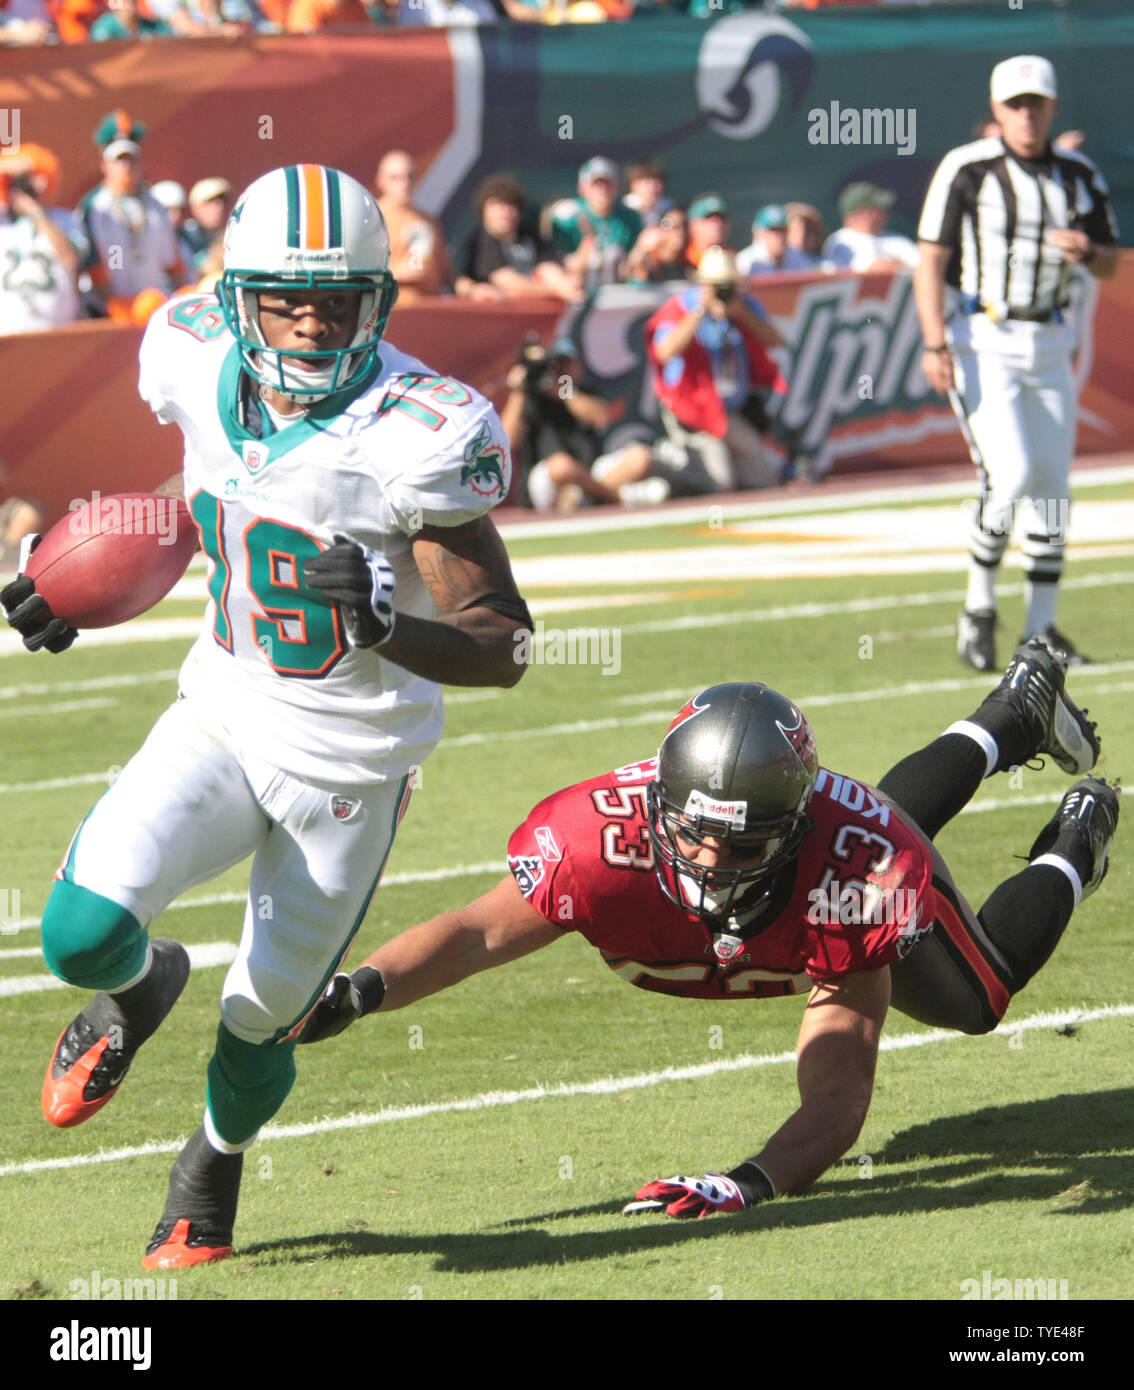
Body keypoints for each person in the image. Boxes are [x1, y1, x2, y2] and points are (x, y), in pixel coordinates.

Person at [0, 164, 531, 1269]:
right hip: (225, 710)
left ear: (375, 302)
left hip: (351, 763)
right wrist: (75, 582)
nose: (308, 321)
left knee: (262, 1018)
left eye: (335, 301)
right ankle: (141, 985)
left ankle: (211, 1158)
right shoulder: (191, 353)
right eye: (287, 299)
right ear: (237, 296)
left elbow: (505, 643)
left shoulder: (413, 428)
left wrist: (390, 626)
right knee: (79, 931)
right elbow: (207, 498)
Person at [298, 647, 1118, 1218]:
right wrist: (362, 989)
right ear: (660, 804)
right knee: (889, 817)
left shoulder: (857, 878)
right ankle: (1013, 711)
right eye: (693, 831)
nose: (708, 857)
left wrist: (750, 1183)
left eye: (741, 840)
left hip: (853, 860)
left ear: (795, 830)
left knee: (980, 997)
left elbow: (837, 1095)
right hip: (828, 837)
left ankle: (1079, 839)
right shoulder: (595, 845)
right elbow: (476, 934)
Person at [915, 54, 1120, 672]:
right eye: (1015, 104)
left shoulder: (1077, 174)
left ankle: (1042, 631)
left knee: (1054, 486)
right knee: (1012, 474)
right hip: (985, 334)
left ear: (1053, 107)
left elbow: (1109, 260)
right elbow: (930, 257)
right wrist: (933, 341)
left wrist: (1086, 250)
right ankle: (978, 608)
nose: (1026, 114)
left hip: (1050, 338)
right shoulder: (968, 167)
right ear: (998, 109)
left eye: (1036, 103)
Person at [645, 245, 786, 493]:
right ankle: (663, 465)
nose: (723, 291)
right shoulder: (681, 308)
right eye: (717, 285)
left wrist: (741, 314)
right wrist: (701, 310)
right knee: (719, 482)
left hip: (727, 411)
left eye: (727, 285)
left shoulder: (742, 306)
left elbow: (775, 340)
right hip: (693, 410)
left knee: (763, 479)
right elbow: (664, 352)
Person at [501, 336, 659, 511]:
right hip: (547, 480)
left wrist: (560, 388)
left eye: (564, 363)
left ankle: (585, 497)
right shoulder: (527, 398)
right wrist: (518, 390)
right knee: (562, 466)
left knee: (640, 457)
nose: (559, 370)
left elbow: (600, 417)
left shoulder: (576, 391)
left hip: (588, 473)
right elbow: (507, 441)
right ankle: (616, 496)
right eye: (554, 365)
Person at [75, 111, 184, 313]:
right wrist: (115, 305)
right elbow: (91, 263)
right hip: (111, 311)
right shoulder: (95, 207)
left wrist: (184, 295)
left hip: (156, 307)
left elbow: (172, 261)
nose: (126, 167)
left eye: (131, 159)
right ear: (104, 165)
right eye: (119, 160)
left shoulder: (155, 206)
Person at [455, 174, 577, 303]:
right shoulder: (479, 243)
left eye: (510, 205)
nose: (505, 212)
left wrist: (563, 284)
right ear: (484, 210)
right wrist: (555, 291)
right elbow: (508, 282)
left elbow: (549, 268)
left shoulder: (530, 237)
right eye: (497, 205)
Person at [0, 142, 81, 334]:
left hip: (55, 328)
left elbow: (70, 258)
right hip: (9, 331)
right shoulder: (2, 223)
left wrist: (37, 213)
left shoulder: (63, 219)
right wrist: (7, 167)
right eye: (17, 182)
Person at [548, 157, 642, 291]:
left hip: (619, 292)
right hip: (581, 293)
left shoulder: (629, 217)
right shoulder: (567, 217)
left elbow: (633, 263)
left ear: (616, 187)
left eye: (607, 184)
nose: (602, 190)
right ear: (583, 188)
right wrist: (588, 243)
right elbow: (562, 267)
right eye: (596, 185)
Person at [373, 150, 453, 301]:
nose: (404, 184)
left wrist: (471, 288)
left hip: (429, 310)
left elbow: (445, 271)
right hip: (389, 312)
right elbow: (353, 273)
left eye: (409, 176)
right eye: (395, 178)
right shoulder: (370, 219)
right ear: (380, 181)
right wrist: (396, 272)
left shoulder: (427, 221)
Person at [823, 183, 919, 272]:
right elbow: (863, 270)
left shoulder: (897, 239)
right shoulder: (839, 241)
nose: (886, 213)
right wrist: (898, 265)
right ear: (863, 212)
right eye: (879, 209)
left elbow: (924, 267)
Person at [737, 203, 820, 275]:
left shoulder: (798, 256)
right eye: (773, 231)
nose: (779, 237)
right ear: (759, 234)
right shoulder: (745, 262)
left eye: (782, 230)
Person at [684, 192, 734, 270]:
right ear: (693, 225)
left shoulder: (730, 257)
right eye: (709, 219)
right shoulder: (682, 258)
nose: (717, 225)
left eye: (722, 218)